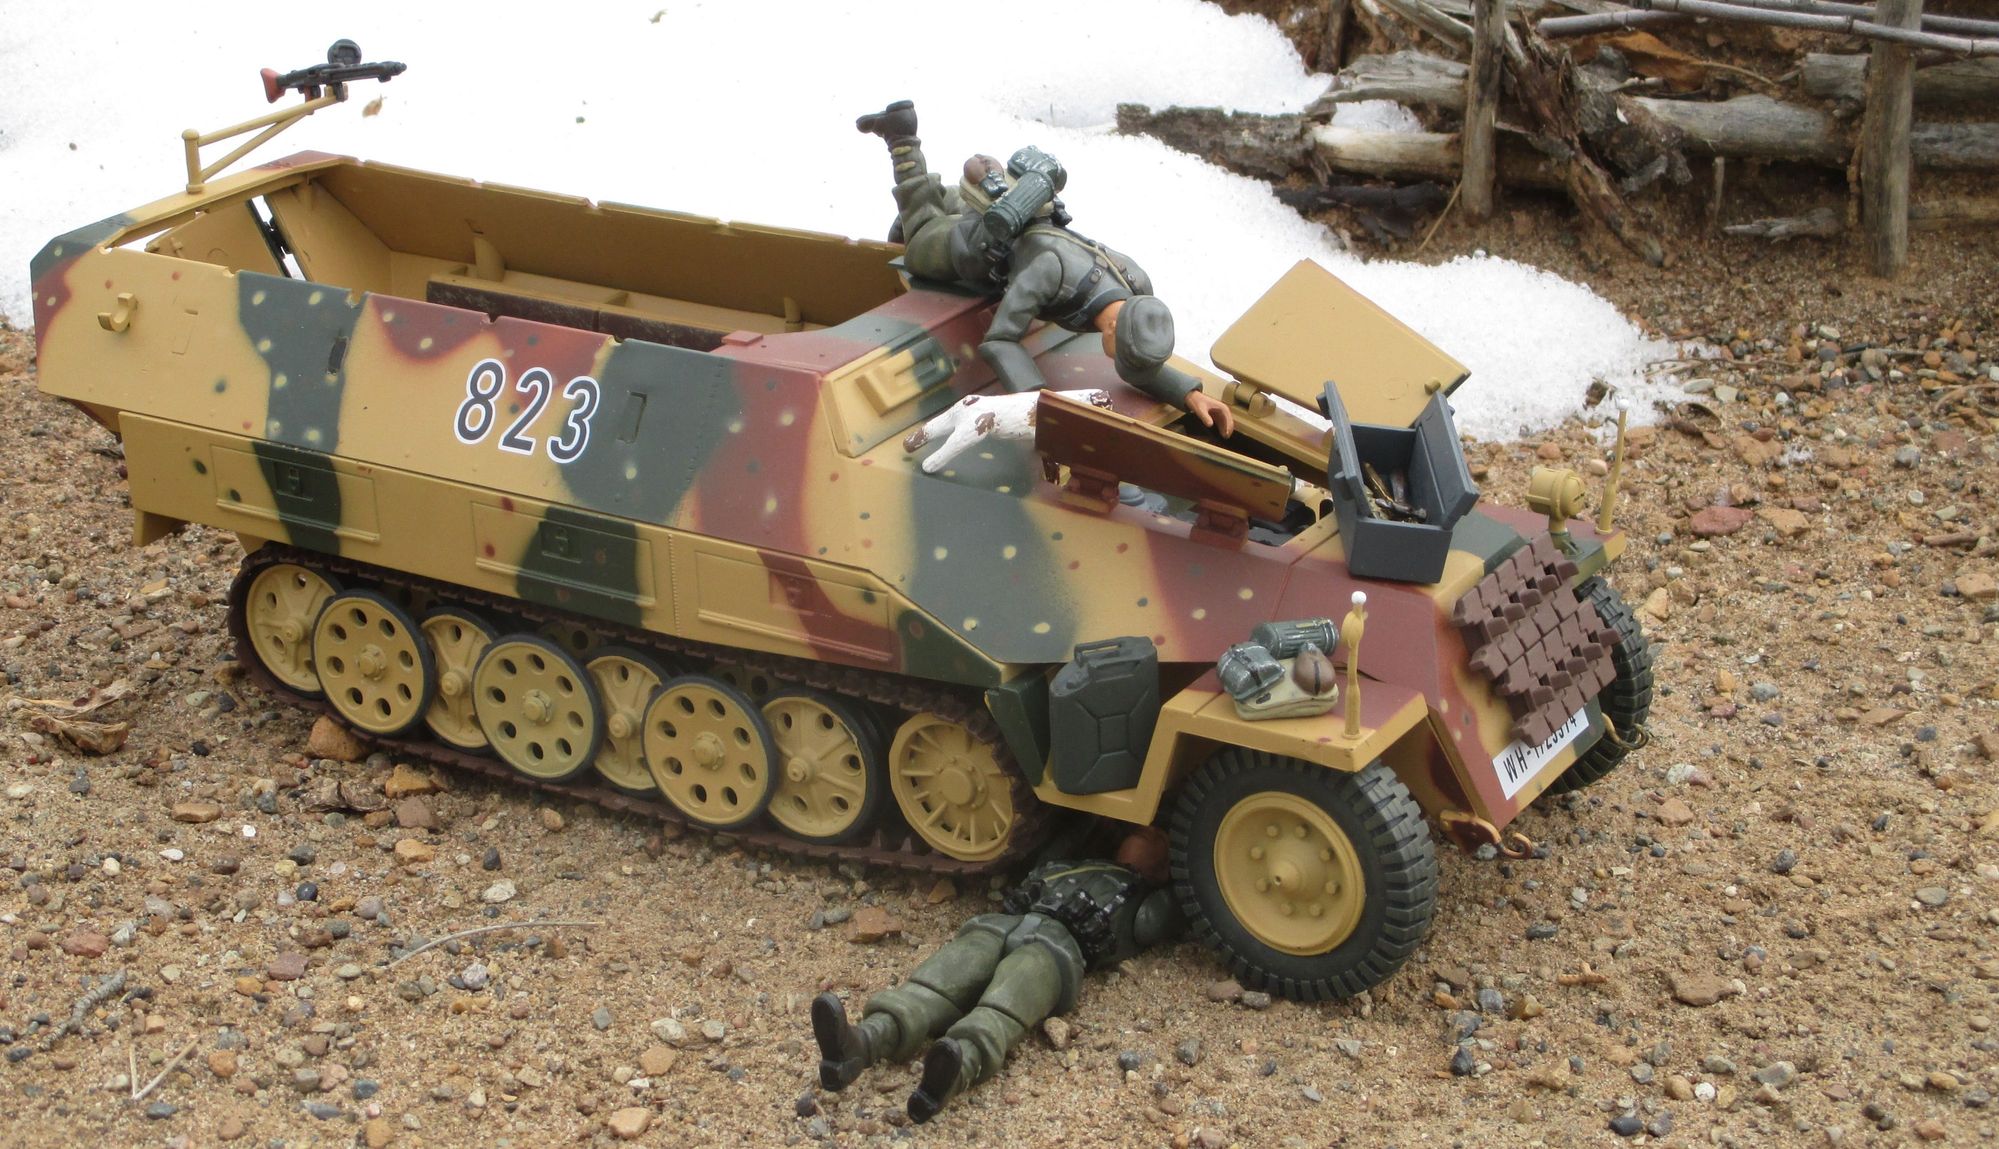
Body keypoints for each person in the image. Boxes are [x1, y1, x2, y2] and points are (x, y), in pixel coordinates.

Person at [855, 100, 1235, 439]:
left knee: (952, 211)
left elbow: (1137, 366)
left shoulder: (1136, 283)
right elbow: (1001, 339)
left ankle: (947, 201)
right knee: (921, 240)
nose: (1115, 360)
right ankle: (901, 135)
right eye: (1119, 352)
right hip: (981, 248)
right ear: (1114, 329)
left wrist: (1189, 394)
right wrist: (1039, 403)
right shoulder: (1051, 274)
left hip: (1029, 227)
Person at [810, 831, 1181, 1123]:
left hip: (1058, 947)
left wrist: (1175, 880)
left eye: (1156, 838)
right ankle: (863, 1042)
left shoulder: (1138, 900)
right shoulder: (1073, 864)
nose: (1145, 832)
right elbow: (1055, 843)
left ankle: (956, 1069)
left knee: (1009, 997)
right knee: (948, 972)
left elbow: (1162, 916)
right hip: (1002, 924)